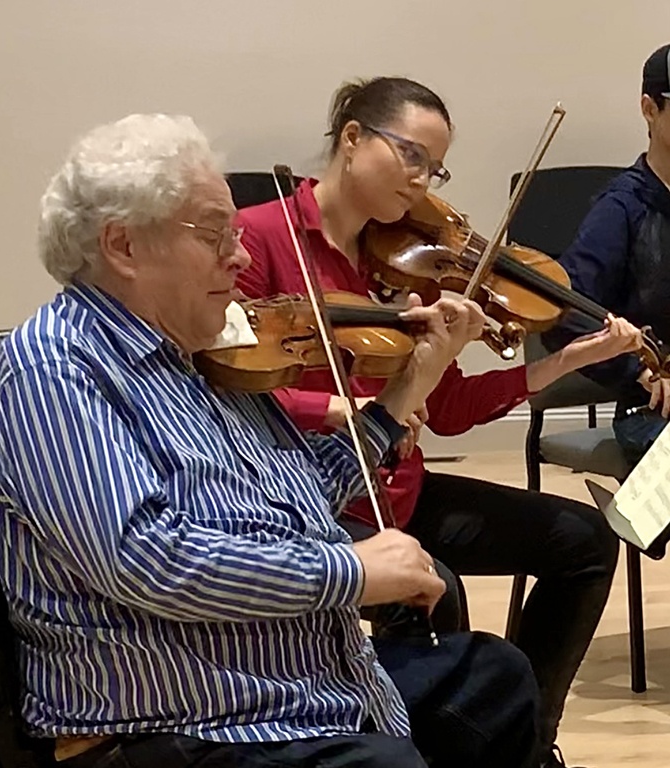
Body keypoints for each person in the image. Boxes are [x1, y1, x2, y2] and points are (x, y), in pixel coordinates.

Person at [0, 112, 542, 768]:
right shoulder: (56, 368)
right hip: (175, 720)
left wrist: (402, 394)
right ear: (123, 247)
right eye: (216, 235)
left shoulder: (202, 356)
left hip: (292, 684)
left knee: (494, 681)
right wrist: (352, 571)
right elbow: (146, 559)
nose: (241, 258)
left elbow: (303, 490)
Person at [234, 76, 644, 768]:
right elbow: (230, 390)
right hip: (307, 499)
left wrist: (558, 362)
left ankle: (525, 741)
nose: (424, 183)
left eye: (436, 167)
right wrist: (340, 406)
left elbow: (447, 412)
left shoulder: (407, 265)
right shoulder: (259, 240)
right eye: (412, 156)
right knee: (436, 585)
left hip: (400, 490)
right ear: (354, 139)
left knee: (582, 541)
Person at [543, 43, 670, 465]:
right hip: (652, 410)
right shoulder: (620, 209)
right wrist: (641, 370)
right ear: (649, 108)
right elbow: (563, 311)